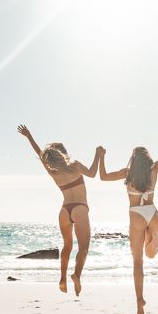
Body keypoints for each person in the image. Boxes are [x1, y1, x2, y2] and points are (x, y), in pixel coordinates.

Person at [99, 115, 158, 314]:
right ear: (147, 157)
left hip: (136, 216)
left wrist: (102, 156)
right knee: (152, 253)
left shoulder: (127, 173)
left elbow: (103, 176)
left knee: (139, 262)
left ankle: (139, 300)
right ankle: (154, 237)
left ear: (133, 159)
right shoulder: (153, 170)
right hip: (153, 212)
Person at [18, 125, 101, 295]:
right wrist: (98, 155)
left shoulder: (53, 171)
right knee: (83, 248)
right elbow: (93, 173)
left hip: (65, 210)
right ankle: (76, 275)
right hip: (79, 208)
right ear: (64, 154)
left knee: (67, 246)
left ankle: (62, 278)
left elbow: (40, 154)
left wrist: (29, 136)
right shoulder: (75, 165)